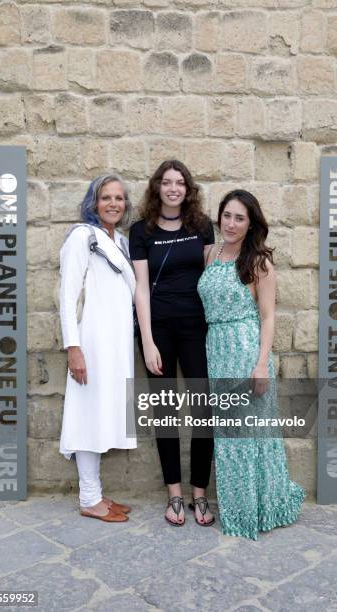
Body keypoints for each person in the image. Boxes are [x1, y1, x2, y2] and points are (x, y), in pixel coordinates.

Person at [197, 189, 305, 539]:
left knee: (252, 434)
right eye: (226, 215)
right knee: (228, 437)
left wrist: (261, 365)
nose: (231, 223)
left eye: (239, 218)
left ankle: (261, 508)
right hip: (217, 349)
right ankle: (238, 510)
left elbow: (268, 317)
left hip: (246, 351)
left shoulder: (259, 262)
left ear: (250, 223)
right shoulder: (209, 253)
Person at [129, 160, 215, 526]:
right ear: (157, 188)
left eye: (180, 183)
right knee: (165, 413)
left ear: (188, 189)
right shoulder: (140, 231)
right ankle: (174, 495)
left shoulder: (202, 227)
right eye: (167, 182)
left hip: (197, 329)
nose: (173, 188)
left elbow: (214, 277)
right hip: (159, 329)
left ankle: (200, 495)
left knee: (203, 413)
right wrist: (147, 341)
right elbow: (141, 290)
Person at [59, 174, 137, 522]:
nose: (113, 204)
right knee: (87, 416)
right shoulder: (82, 237)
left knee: (104, 414)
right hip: (90, 341)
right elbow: (67, 296)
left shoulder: (120, 240)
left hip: (116, 343)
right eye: (106, 197)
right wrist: (73, 348)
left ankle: (97, 492)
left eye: (119, 198)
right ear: (94, 202)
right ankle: (89, 499)